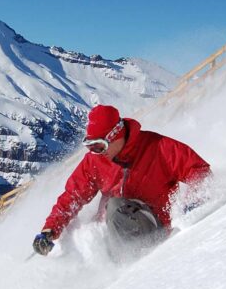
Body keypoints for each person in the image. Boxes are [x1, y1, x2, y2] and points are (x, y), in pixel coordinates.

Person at [32, 104, 210, 256]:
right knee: (95, 226)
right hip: (113, 231)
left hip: (153, 228)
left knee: (116, 206)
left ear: (115, 135)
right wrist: (50, 229)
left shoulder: (158, 148)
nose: (96, 152)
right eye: (90, 147)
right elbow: (73, 195)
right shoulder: (95, 160)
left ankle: (128, 270)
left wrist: (192, 201)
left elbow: (198, 170)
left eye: (99, 146)